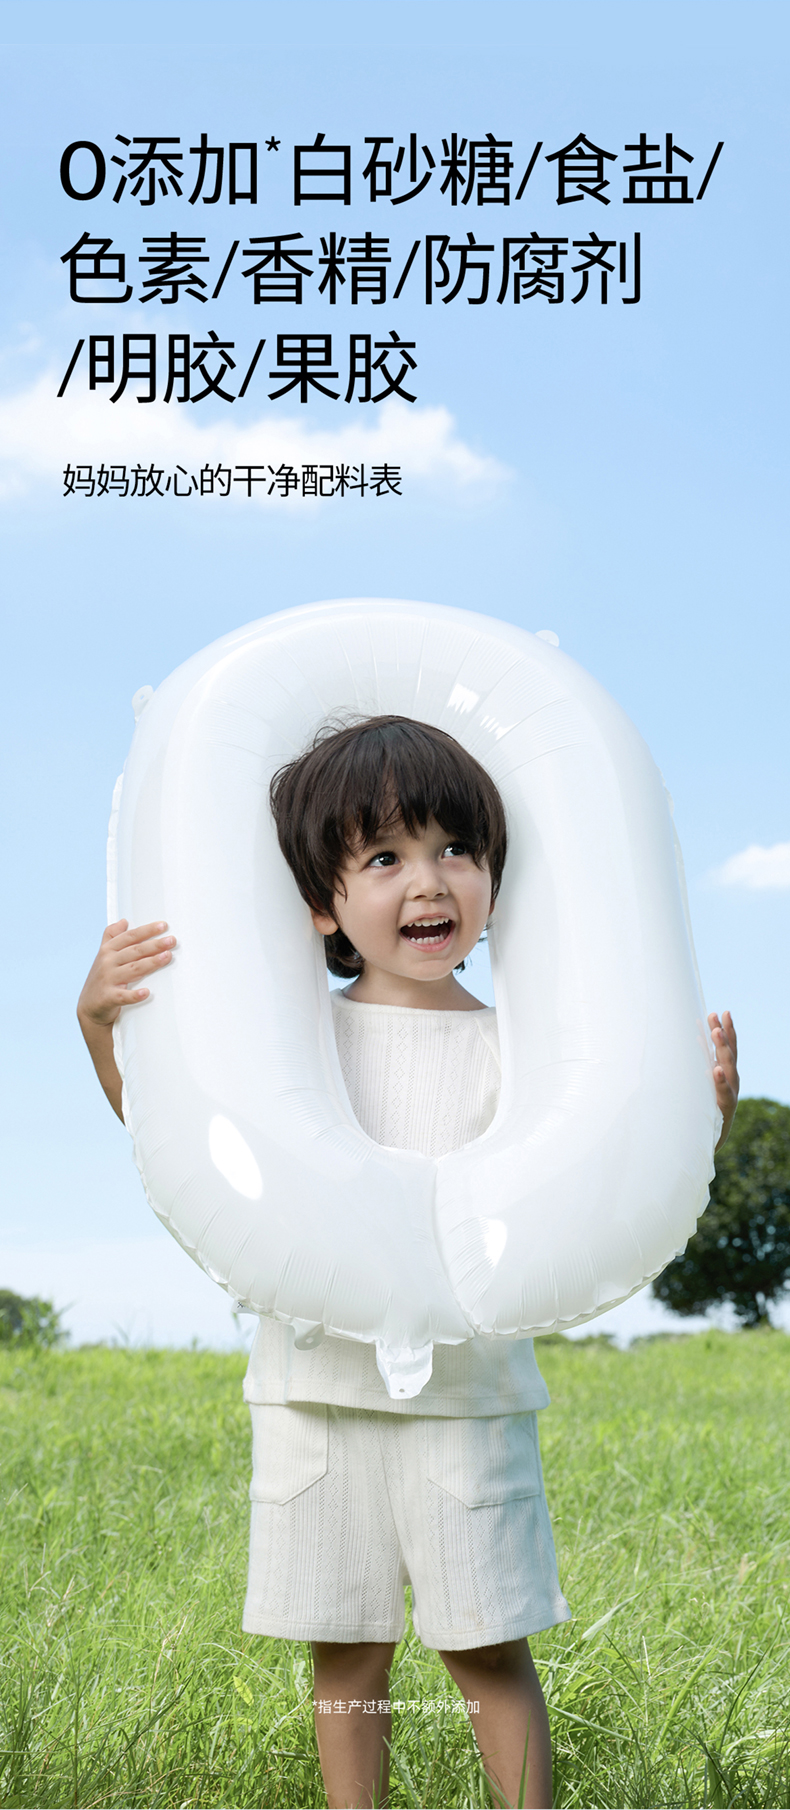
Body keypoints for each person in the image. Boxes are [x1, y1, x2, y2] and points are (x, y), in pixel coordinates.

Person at [78, 715, 740, 1810]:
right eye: (384, 857)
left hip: (469, 1399)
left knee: (486, 1648)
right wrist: (101, 1025)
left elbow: (596, 1194)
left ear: (493, 878)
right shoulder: (290, 1042)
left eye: (455, 849)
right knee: (346, 1652)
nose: (429, 880)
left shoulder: (528, 1054)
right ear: (322, 903)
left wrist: (695, 1118)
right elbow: (184, 1151)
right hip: (313, 1394)